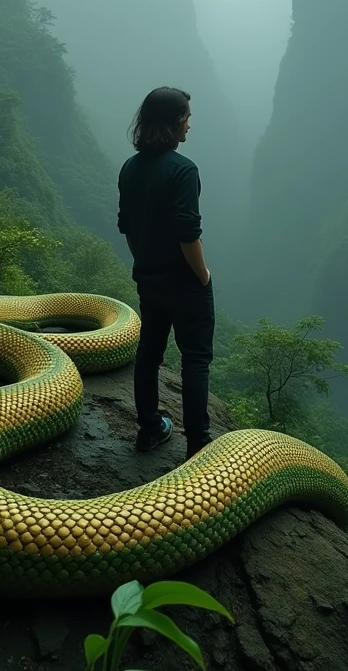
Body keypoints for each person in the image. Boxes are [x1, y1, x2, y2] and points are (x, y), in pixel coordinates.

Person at [117, 86, 215, 460]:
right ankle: (198, 444)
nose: (190, 123)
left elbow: (127, 226)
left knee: (149, 352)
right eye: (187, 117)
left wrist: (143, 259)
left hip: (149, 279)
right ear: (175, 122)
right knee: (195, 359)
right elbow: (187, 234)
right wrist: (203, 275)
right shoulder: (183, 170)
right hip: (185, 284)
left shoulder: (130, 167)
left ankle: (149, 428)